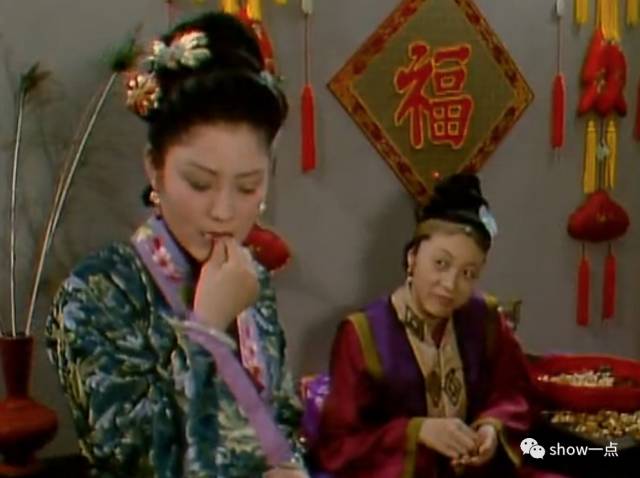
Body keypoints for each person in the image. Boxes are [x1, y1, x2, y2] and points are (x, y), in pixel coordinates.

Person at [45, 12, 307, 478]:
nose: (224, 211)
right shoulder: (98, 289)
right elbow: (133, 455)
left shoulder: (250, 280)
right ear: (155, 168)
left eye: (247, 186)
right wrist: (205, 329)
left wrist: (291, 465)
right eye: (200, 183)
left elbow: (281, 420)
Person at [311, 173, 550, 478]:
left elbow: (516, 391)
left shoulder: (484, 318)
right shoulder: (363, 334)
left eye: (468, 273)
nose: (450, 284)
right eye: (441, 263)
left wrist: (491, 427)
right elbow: (338, 447)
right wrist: (417, 432)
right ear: (412, 257)